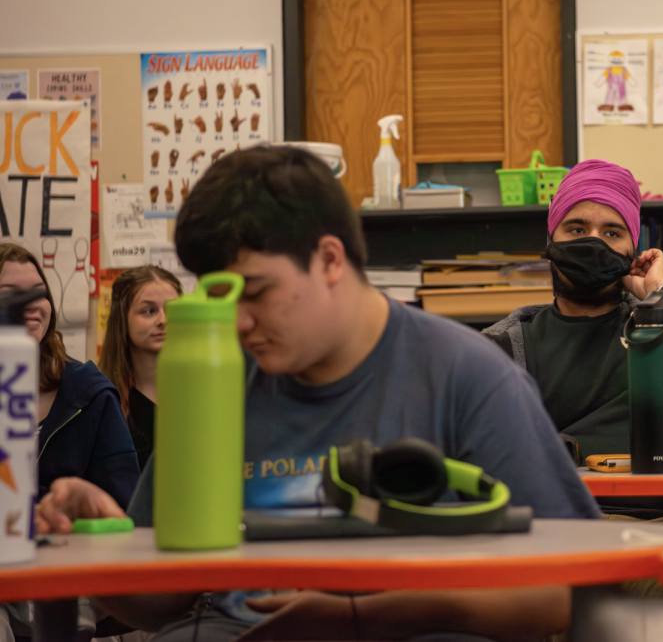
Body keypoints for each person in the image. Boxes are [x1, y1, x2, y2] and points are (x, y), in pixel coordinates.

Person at [35, 146, 599, 642]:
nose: (238, 322)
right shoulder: (222, 379)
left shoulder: (468, 377)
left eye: (256, 292)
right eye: (222, 298)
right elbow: (160, 603)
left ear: (329, 260)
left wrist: (368, 616)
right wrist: (100, 545)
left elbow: (569, 593)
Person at [483, 158, 663, 467]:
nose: (593, 242)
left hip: (657, 497)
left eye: (612, 233)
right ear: (550, 243)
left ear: (631, 253)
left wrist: (661, 295)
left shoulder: (662, 329)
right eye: (577, 229)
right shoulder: (503, 344)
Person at [0, 243, 140, 507]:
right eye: (10, 294)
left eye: (38, 292)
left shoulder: (90, 393)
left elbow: (123, 507)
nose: (30, 304)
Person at [98, 266, 183, 469]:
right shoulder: (102, 398)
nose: (163, 320)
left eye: (172, 310)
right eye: (148, 311)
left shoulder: (201, 389)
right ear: (122, 318)